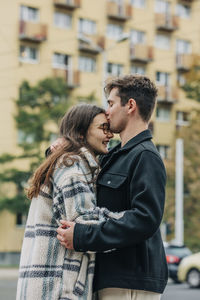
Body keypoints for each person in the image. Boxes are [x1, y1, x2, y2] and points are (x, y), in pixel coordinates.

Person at [56, 75, 168, 300]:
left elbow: (145, 219)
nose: (107, 112)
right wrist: (59, 150)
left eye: (110, 103)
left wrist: (82, 236)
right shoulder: (114, 156)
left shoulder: (146, 156)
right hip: (109, 276)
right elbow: (82, 171)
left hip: (131, 280)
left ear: (130, 106)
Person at [16, 103, 125, 300]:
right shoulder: (73, 169)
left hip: (47, 286)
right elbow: (87, 229)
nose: (110, 135)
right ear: (81, 133)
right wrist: (130, 217)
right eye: (103, 128)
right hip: (58, 288)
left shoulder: (66, 163)